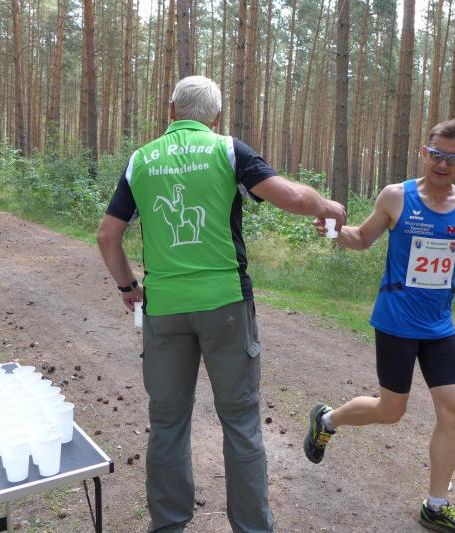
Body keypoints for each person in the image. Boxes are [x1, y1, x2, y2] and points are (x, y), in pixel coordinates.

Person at [97, 75, 346, 533]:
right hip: (227, 305)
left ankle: (168, 525)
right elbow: (291, 197)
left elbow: (108, 236)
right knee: (241, 422)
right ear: (216, 117)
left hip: (164, 308)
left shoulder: (141, 159)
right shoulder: (228, 150)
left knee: (167, 423)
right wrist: (326, 206)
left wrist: (129, 287)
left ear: (171, 110)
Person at [302, 119, 455, 533]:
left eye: (452, 158)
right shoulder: (397, 196)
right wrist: (333, 232)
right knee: (391, 410)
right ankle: (328, 419)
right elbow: (362, 238)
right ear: (425, 153)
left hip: (439, 325)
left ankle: (435, 507)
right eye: (436, 154)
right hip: (396, 321)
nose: (442, 164)